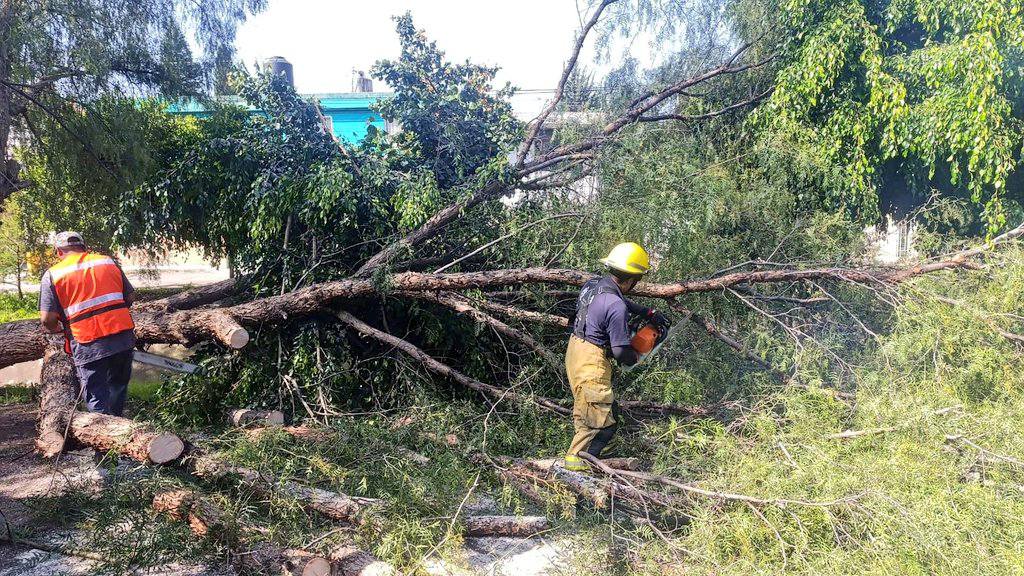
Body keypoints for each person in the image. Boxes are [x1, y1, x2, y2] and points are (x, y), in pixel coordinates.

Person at [563, 242, 669, 471]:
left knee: (597, 410)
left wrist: (646, 312)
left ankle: (595, 459)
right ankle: (576, 465)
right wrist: (639, 354)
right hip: (592, 361)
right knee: (601, 425)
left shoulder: (594, 284)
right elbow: (621, 353)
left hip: (576, 350)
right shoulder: (616, 307)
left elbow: (618, 300)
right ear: (633, 279)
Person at [39, 232, 136, 416]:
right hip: (122, 334)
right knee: (118, 387)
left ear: (59, 251)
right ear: (84, 247)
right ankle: (117, 427)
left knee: (96, 395)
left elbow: (47, 319)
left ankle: (104, 435)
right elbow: (130, 297)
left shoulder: (53, 274)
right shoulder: (107, 261)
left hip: (87, 341)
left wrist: (57, 329)